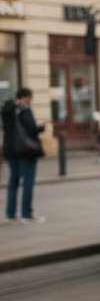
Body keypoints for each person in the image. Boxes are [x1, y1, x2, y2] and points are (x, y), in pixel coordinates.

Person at [2, 87, 46, 223]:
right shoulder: (24, 110)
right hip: (25, 151)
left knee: (13, 181)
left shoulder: (7, 109)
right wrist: (41, 127)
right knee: (28, 181)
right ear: (26, 97)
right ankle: (27, 214)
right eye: (30, 98)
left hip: (10, 150)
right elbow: (32, 130)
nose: (31, 101)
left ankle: (11, 213)